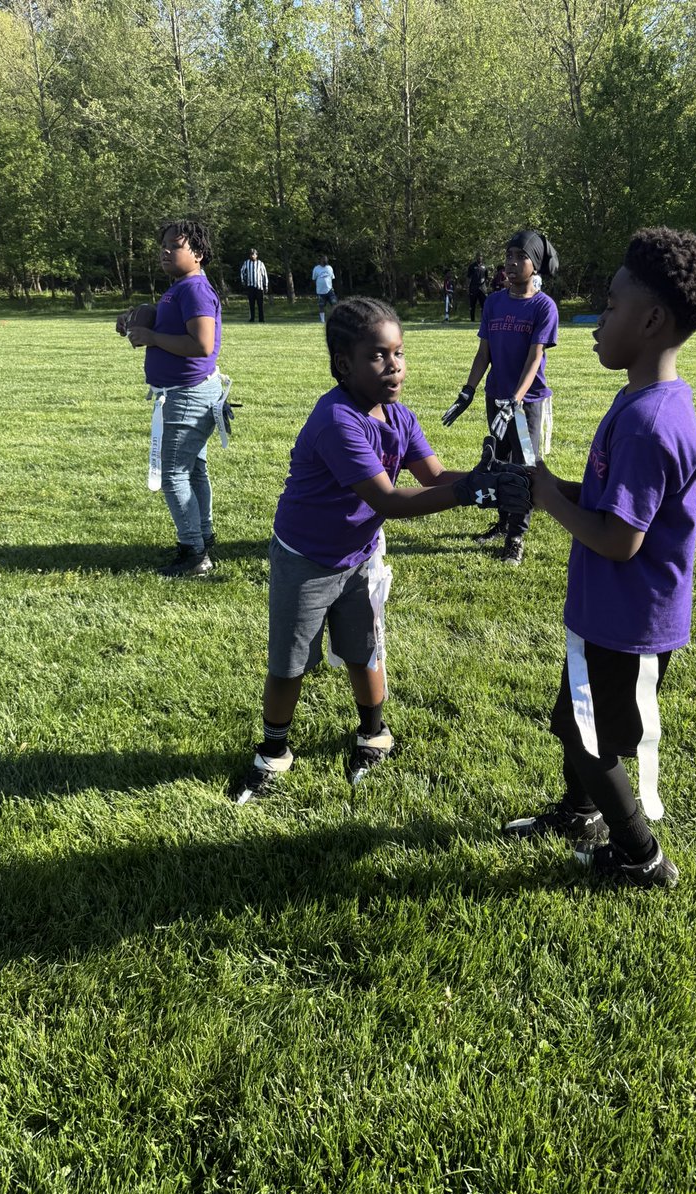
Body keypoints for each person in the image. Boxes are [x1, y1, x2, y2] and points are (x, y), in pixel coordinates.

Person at [231, 296, 531, 803]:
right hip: (307, 557)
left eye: (399, 353)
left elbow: (433, 477)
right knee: (290, 661)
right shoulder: (338, 422)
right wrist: (470, 493)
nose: (393, 366)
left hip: (361, 553)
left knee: (364, 648)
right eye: (377, 356)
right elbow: (389, 500)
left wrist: (495, 480)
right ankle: (274, 751)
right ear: (344, 364)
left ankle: (373, 734)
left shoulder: (398, 415)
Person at [503, 227, 696, 889]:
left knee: (588, 739)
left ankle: (643, 856)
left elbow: (618, 539)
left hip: (631, 623)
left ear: (652, 320)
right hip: (608, 613)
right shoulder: (640, 400)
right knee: (574, 719)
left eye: (612, 306)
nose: (599, 321)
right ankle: (579, 813)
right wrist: (554, 485)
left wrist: (547, 498)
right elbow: (609, 504)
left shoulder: (652, 422)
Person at [443, 229, 560, 567]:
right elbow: (484, 354)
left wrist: (516, 401)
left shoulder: (543, 306)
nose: (510, 263)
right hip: (496, 397)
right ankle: (503, 523)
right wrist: (468, 391)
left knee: (523, 470)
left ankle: (516, 538)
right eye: (508, 256)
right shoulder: (494, 302)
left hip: (527, 402)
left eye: (519, 257)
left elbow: (534, 357)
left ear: (534, 264)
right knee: (498, 463)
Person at [119, 220, 223, 578]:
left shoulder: (193, 289)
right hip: (187, 393)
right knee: (193, 470)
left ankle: (193, 555)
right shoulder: (180, 287)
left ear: (197, 253)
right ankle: (203, 539)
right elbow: (174, 323)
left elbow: (201, 345)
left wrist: (150, 336)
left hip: (186, 396)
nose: (164, 251)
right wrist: (144, 315)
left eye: (174, 246)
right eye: (163, 245)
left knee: (174, 474)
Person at [240, 248, 269, 323]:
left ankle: (261, 319)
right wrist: (243, 280)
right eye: (251, 254)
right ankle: (252, 318)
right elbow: (242, 271)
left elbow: (264, 274)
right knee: (251, 304)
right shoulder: (246, 263)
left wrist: (266, 285)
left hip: (259, 286)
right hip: (250, 286)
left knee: (260, 304)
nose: (252, 256)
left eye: (254, 254)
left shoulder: (260, 263)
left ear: (256, 255)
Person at [312, 254, 337, 324]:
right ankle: (322, 320)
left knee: (334, 304)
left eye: (326, 259)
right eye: (324, 259)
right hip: (320, 291)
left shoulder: (329, 268)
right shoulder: (316, 269)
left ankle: (334, 319)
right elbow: (314, 279)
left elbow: (332, 278)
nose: (325, 260)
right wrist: (319, 285)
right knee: (321, 305)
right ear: (320, 260)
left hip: (330, 290)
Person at [466, 253, 488, 322]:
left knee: (484, 305)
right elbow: (468, 277)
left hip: (482, 288)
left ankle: (483, 320)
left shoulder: (484, 267)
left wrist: (486, 287)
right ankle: (472, 320)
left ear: (482, 258)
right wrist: (467, 287)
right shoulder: (472, 266)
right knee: (472, 305)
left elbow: (486, 277)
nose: (479, 258)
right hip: (473, 288)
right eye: (478, 257)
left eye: (480, 257)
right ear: (476, 257)